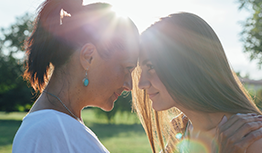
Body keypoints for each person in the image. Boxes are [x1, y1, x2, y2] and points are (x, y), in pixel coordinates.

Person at [12, 0, 139, 152]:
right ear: (88, 57)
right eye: (126, 68)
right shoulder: (46, 132)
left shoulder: (57, 127)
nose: (129, 85)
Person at [132, 12, 262, 153]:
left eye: (151, 67)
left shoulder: (248, 138)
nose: (141, 84)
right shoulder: (183, 133)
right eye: (141, 70)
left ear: (186, 65)